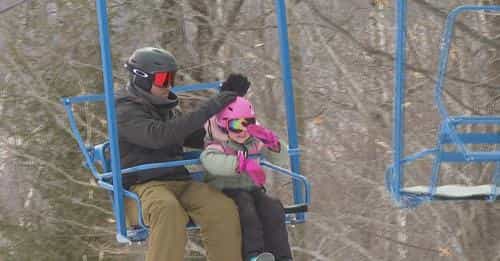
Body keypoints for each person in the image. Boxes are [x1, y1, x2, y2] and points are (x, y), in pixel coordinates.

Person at [115, 46, 251, 261]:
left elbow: (196, 136)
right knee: (168, 210)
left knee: (222, 208)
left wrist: (228, 117)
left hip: (180, 182)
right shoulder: (124, 112)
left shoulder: (166, 109)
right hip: (141, 188)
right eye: (162, 79)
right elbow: (161, 136)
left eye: (172, 78)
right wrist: (213, 104)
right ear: (141, 78)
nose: (169, 86)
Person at [200, 96, 293, 261]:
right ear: (224, 125)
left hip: (251, 189)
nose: (242, 131)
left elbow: (282, 158)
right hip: (225, 190)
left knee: (273, 208)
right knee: (246, 210)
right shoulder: (218, 144)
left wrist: (273, 143)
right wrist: (240, 164)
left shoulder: (253, 142)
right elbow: (211, 161)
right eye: (236, 125)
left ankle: (282, 256)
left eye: (247, 123)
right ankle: (253, 255)